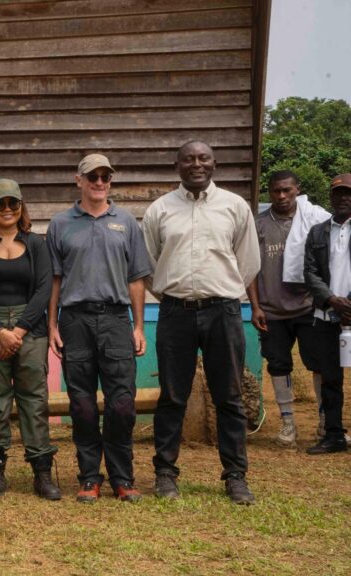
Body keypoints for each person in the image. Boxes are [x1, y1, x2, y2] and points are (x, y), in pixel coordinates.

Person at [142, 141, 260, 505]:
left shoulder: (234, 206)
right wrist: (176, 295)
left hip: (222, 312)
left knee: (229, 396)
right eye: (189, 159)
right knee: (173, 396)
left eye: (203, 158)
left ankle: (235, 476)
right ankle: (165, 473)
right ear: (176, 165)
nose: (197, 164)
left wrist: (219, 290)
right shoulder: (159, 210)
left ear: (214, 163)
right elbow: (150, 265)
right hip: (174, 312)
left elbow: (248, 262)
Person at [46, 154, 151, 504]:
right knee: (83, 405)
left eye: (106, 176)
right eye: (93, 176)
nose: (100, 182)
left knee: (122, 403)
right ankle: (89, 476)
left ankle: (123, 477)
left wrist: (138, 326)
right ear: (79, 180)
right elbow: (55, 280)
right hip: (75, 320)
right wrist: (52, 324)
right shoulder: (61, 224)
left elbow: (137, 278)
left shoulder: (126, 223)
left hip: (116, 320)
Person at [0, 179, 60, 500]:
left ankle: (42, 473)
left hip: (30, 329)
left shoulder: (36, 243)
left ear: (22, 207)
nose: (7, 210)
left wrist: (17, 331)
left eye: (13, 204)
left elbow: (44, 288)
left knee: (34, 399)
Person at [248, 170, 330, 447]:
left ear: (298, 190)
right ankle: (287, 423)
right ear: (269, 192)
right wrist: (255, 306)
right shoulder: (259, 225)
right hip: (272, 309)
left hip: (308, 307)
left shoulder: (314, 221)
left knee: (319, 364)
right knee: (278, 364)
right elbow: (250, 270)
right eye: (276, 191)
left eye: (287, 191)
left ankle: (324, 422)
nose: (281, 196)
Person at [302, 173, 351, 454]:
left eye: (348, 193)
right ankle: (334, 435)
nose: (343, 198)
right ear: (330, 197)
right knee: (330, 379)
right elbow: (309, 271)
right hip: (326, 316)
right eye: (338, 193)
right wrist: (333, 300)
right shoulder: (318, 232)